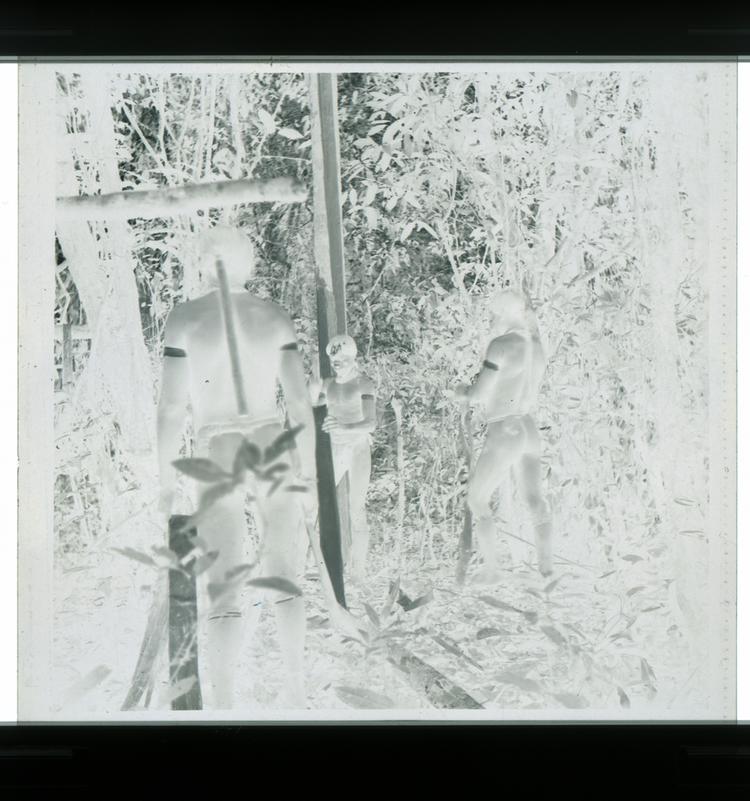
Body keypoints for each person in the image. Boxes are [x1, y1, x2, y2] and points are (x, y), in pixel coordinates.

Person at [156, 226, 316, 708]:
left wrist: (165, 480)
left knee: (223, 582)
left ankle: (223, 706)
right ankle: (296, 691)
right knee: (283, 570)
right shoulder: (273, 316)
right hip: (270, 440)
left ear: (206, 263)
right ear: (249, 265)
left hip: (218, 443)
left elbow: (170, 409)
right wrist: (306, 474)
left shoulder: (184, 318)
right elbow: (299, 405)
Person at [453, 289, 553, 581]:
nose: (492, 319)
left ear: (503, 313)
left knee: (476, 497)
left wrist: (462, 392)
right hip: (528, 427)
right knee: (535, 499)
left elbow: (479, 393)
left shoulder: (500, 345)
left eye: (494, 313)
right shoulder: (537, 346)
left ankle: (492, 570)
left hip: (504, 429)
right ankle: (546, 568)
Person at [311, 334, 376, 585]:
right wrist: (314, 376)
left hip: (358, 448)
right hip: (335, 450)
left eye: (344, 360)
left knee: (356, 507)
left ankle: (358, 569)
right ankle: (317, 565)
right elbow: (312, 405)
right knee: (317, 505)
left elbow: (371, 423)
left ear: (354, 358)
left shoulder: (364, 383)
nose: (339, 364)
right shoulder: (328, 385)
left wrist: (344, 427)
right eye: (335, 361)